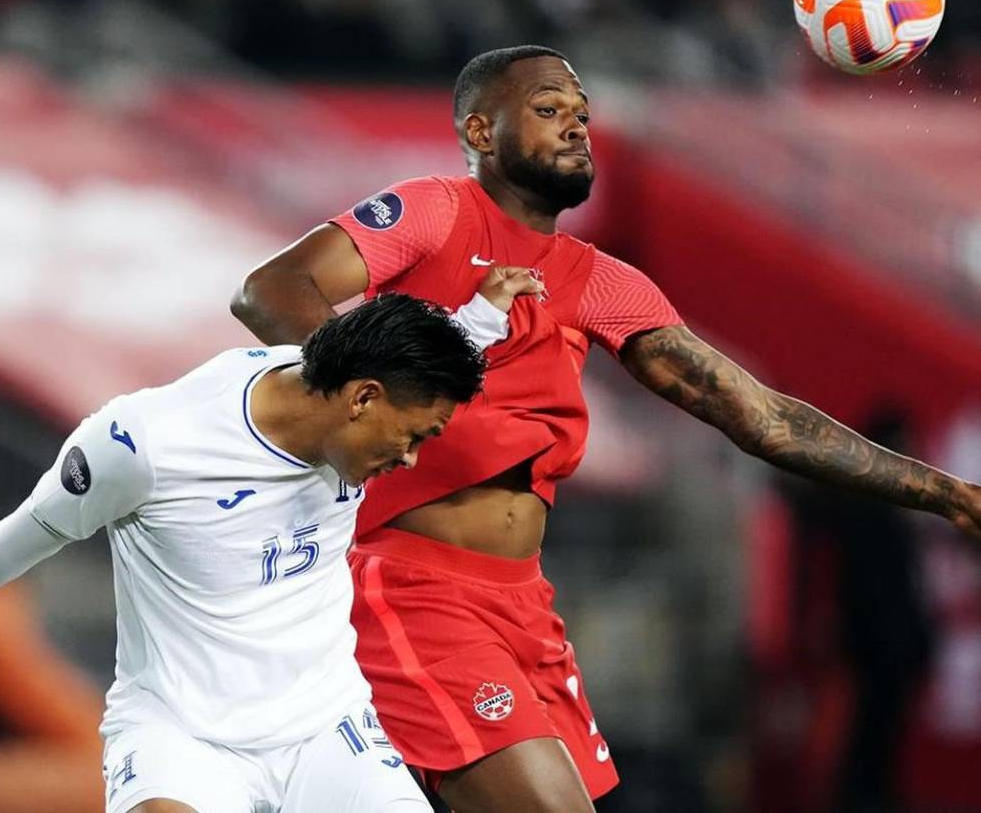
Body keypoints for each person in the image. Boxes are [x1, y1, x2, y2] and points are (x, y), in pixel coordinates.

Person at [229, 44, 981, 812]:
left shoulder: (603, 284)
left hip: (522, 605)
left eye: (583, 116)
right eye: (549, 110)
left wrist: (954, 497)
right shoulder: (436, 212)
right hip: (409, 586)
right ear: (482, 133)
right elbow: (272, 290)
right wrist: (371, 401)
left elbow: (764, 420)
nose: (576, 128)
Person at [0, 289, 542, 813]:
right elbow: (17, 540)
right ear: (361, 400)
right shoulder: (146, 445)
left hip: (325, 729)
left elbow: (408, 358)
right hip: (184, 739)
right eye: (414, 437)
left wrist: (477, 317)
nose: (413, 460)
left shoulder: (349, 393)